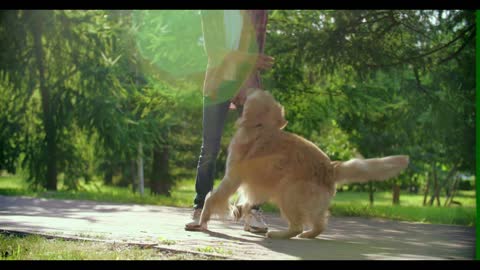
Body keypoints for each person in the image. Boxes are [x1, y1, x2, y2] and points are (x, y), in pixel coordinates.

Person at [185, 10, 274, 233]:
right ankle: (200, 209)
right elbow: (214, 52)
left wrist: (246, 76)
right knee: (210, 147)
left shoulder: (258, 12)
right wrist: (249, 59)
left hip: (248, 81)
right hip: (218, 82)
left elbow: (257, 49)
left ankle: (252, 210)